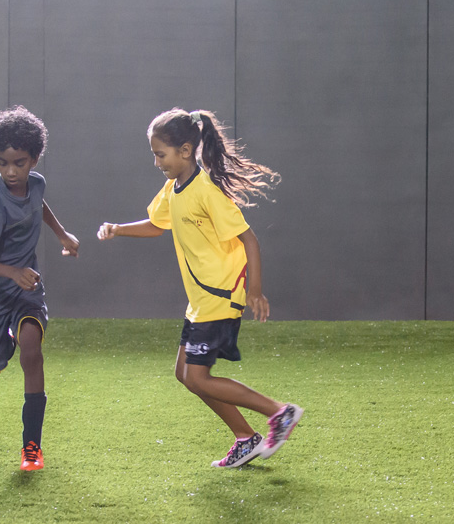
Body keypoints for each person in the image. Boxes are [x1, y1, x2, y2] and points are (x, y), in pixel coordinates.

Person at [97, 108, 302, 468]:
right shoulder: (174, 188)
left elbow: (249, 239)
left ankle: (279, 412)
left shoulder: (207, 191)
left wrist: (254, 290)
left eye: (161, 154)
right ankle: (246, 438)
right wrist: (118, 229)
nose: (157, 162)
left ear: (186, 150)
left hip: (220, 297)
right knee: (186, 375)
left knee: (197, 376)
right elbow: (157, 224)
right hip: (201, 301)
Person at [0, 106, 79, 472]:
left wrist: (61, 233)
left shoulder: (37, 183)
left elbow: (37, 204)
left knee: (33, 352)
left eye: (19, 163)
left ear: (34, 159)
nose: (11, 172)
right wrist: (13, 272)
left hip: (24, 289)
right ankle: (5, 339)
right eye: (2, 163)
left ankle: (32, 447)